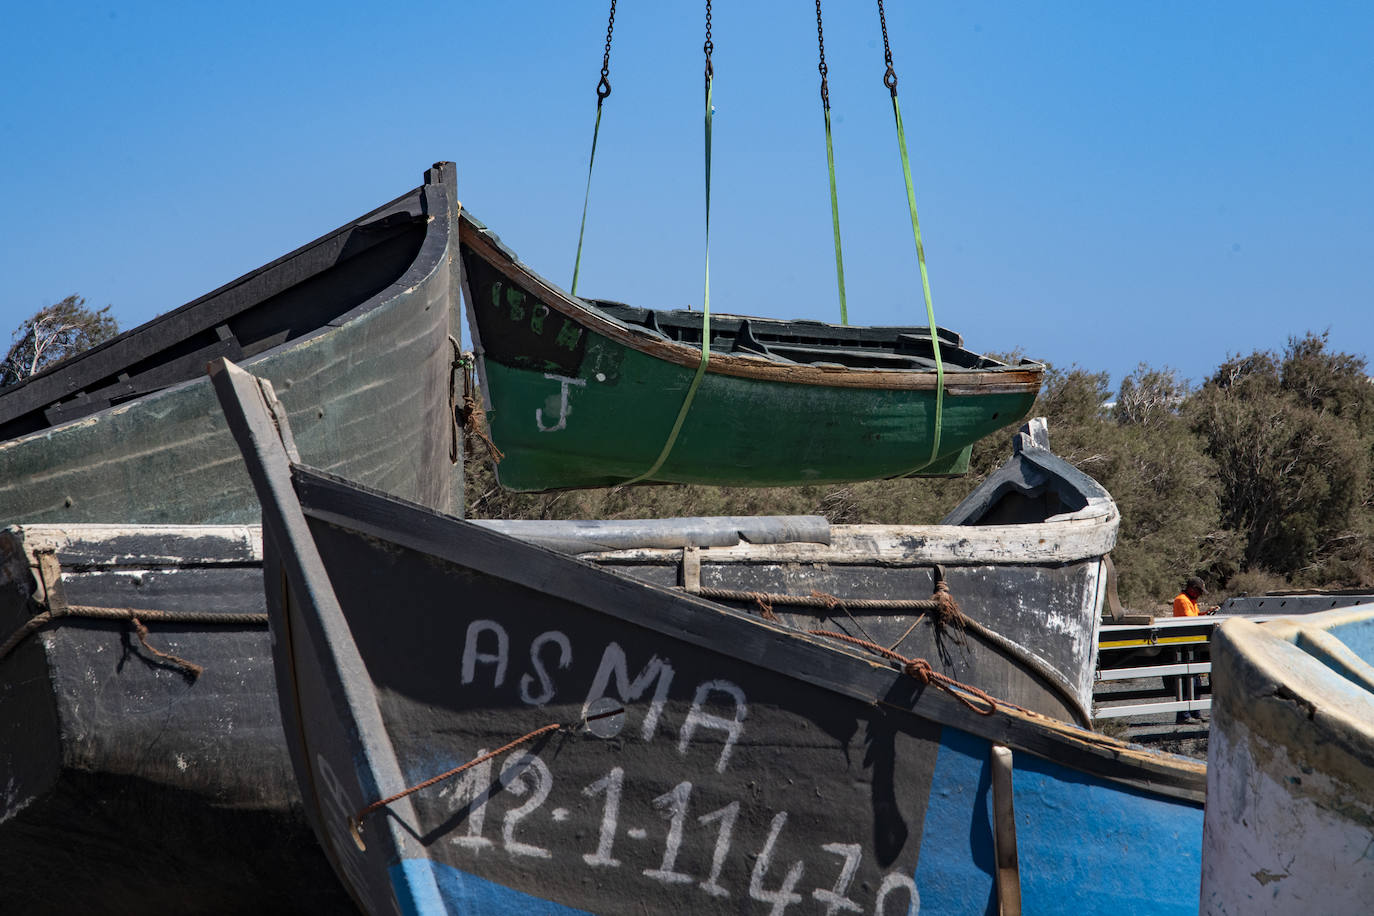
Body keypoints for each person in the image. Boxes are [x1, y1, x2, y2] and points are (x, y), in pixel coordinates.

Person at [1170, 576, 1218, 723]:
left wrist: (1206, 613)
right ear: (1192, 588)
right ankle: (1184, 715)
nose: (1200, 594)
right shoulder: (1182, 600)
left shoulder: (1190, 600)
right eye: (1199, 591)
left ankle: (1195, 712)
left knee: (1195, 679)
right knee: (1187, 680)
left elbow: (1195, 616)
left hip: (1191, 643)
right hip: (1184, 643)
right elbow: (1191, 621)